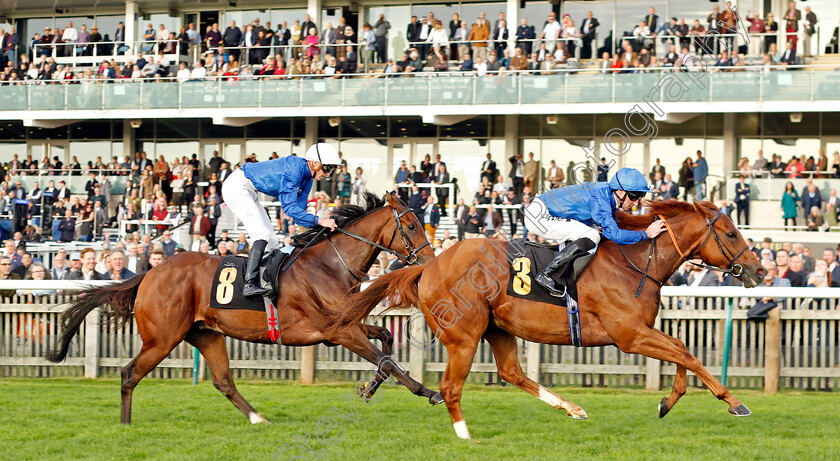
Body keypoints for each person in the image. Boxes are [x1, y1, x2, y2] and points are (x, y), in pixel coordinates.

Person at [524, 168, 667, 296]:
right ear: (620, 192)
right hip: (539, 216)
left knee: (594, 233)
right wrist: (646, 234)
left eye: (639, 197)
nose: (636, 203)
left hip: (543, 211)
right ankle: (549, 274)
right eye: (634, 196)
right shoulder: (600, 199)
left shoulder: (607, 193)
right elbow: (615, 235)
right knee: (592, 235)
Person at [221, 143, 340, 297]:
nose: (328, 174)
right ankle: (249, 284)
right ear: (315, 163)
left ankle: (267, 283)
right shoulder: (294, 169)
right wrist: (320, 220)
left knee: (272, 242)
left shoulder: (308, 180)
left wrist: (320, 227)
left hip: (250, 190)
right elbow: (289, 208)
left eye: (331, 169)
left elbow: (298, 214)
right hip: (237, 186)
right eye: (327, 168)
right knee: (262, 234)